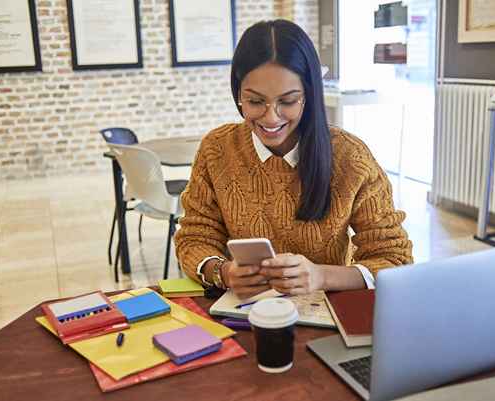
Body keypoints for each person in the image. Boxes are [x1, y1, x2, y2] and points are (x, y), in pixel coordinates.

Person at [175, 19, 413, 299]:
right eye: (254, 101)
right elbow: (194, 237)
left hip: (325, 311)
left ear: (309, 96)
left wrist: (321, 275)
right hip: (243, 312)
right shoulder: (217, 149)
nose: (271, 117)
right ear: (238, 93)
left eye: (287, 101)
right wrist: (223, 271)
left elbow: (395, 260)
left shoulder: (351, 157)